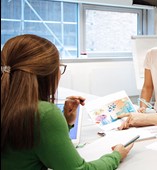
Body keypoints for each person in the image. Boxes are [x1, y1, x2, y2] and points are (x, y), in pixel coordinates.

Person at [1, 34, 134, 169]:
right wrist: (116, 155)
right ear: (46, 73)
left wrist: (67, 122)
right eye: (59, 67)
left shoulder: (9, 105)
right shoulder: (43, 114)